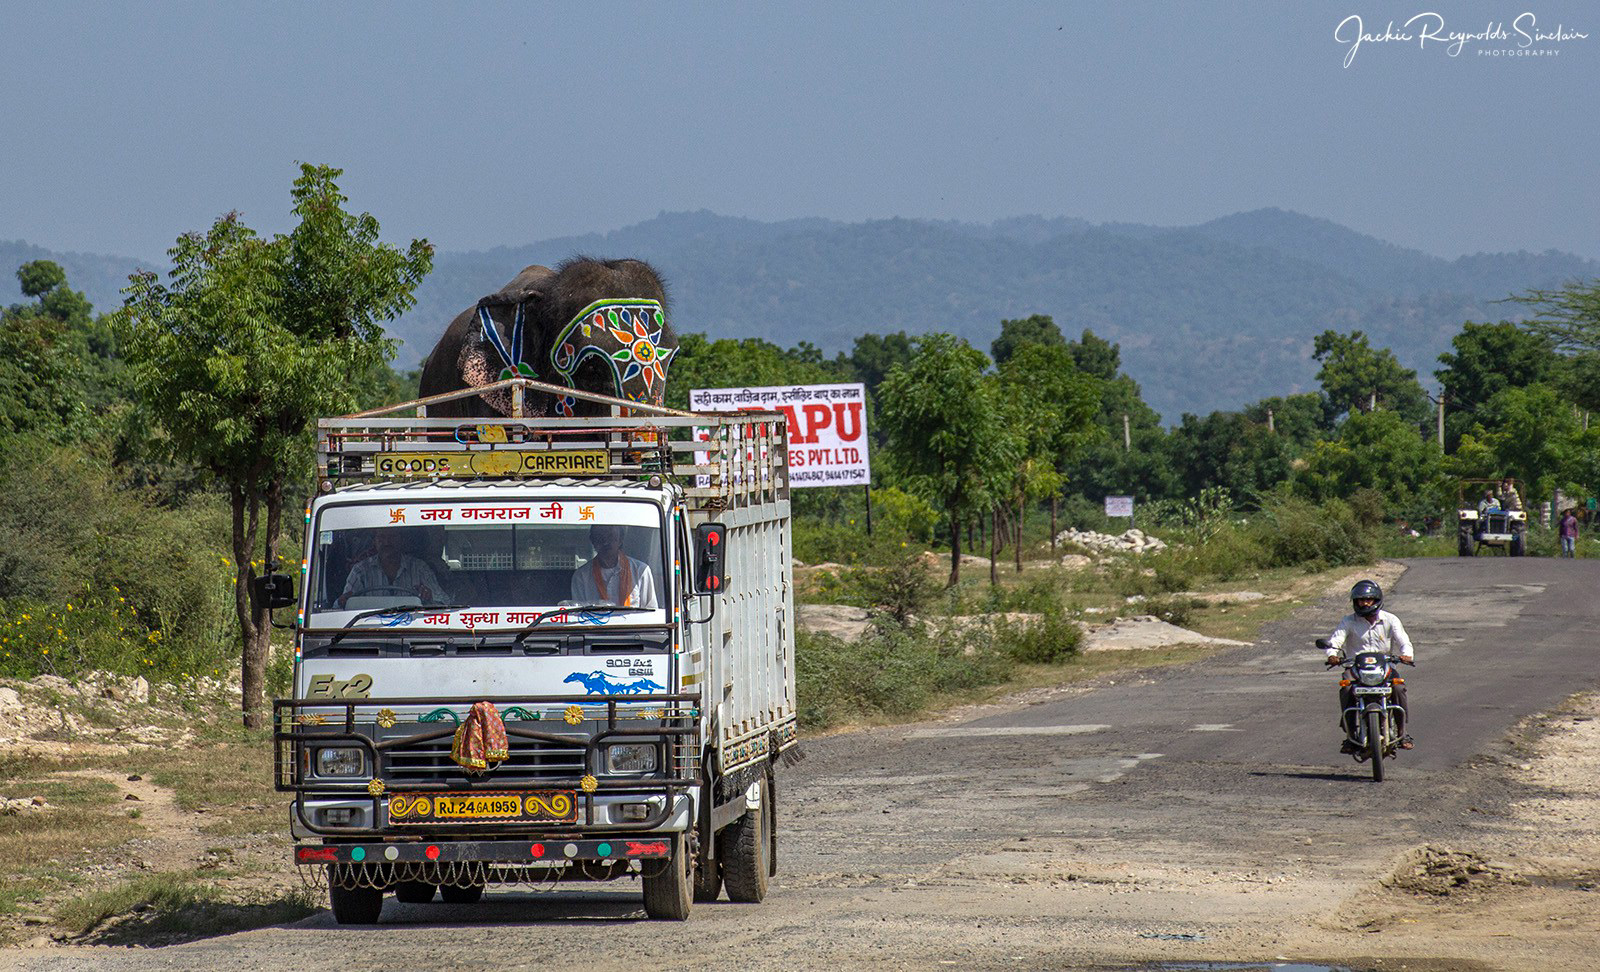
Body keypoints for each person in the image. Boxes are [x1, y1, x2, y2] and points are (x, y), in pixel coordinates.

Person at [1323, 579, 1414, 751]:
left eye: (1368, 599)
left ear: (1376, 600)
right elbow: (1336, 640)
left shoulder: (1390, 620)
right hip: (1356, 668)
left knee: (1399, 689)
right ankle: (1350, 735)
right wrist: (1332, 655)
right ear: (1355, 602)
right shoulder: (1348, 621)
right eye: (1360, 600)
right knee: (1346, 688)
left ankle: (1402, 733)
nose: (1364, 603)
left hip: (1384, 667)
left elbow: (1404, 641)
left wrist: (1407, 655)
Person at [338, 530, 441, 608]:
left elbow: (444, 601)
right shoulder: (360, 571)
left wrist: (429, 596)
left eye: (392, 537)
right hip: (371, 629)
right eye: (381, 537)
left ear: (401, 540)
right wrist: (343, 600)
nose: (387, 542)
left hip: (412, 628)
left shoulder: (419, 568)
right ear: (374, 541)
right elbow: (341, 606)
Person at [570, 524, 658, 608]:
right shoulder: (581, 576)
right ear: (593, 541)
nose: (605, 542)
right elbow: (579, 615)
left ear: (620, 540)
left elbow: (652, 612)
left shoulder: (640, 571)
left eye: (610, 536)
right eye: (599, 537)